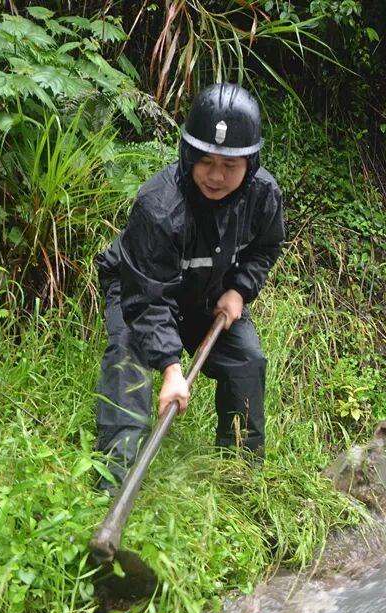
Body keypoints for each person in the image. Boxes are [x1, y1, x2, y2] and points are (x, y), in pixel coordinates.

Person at [94, 82, 285, 492]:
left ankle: (240, 475)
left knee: (246, 360)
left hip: (209, 294)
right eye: (206, 161)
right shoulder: (158, 206)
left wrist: (239, 290)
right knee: (129, 359)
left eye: (230, 166)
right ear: (188, 154)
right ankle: (113, 482)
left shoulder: (263, 195)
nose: (216, 176)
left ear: (249, 165)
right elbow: (146, 299)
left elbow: (266, 248)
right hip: (138, 291)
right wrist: (171, 369)